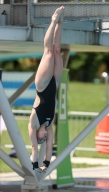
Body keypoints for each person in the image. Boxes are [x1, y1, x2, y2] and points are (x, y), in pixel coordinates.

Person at [28, 6, 64, 173]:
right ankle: (60, 23)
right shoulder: (49, 126)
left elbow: (35, 150)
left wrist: (35, 167)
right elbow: (48, 149)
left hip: (42, 85)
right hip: (55, 83)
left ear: (36, 136)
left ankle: (53, 20)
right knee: (57, 51)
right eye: (44, 139)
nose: (44, 139)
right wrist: (46, 165)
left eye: (40, 139)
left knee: (48, 52)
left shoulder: (34, 125)